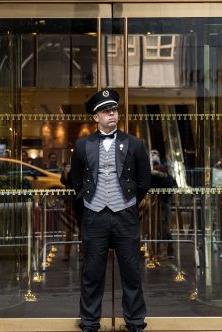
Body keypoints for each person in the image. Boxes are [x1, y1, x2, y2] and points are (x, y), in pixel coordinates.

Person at [69, 88, 151, 332]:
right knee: (92, 272)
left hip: (125, 214)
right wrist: (89, 202)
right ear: (96, 118)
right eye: (106, 111)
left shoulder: (134, 144)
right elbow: (75, 180)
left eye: (114, 110)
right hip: (94, 214)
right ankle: (89, 322)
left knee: (131, 272)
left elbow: (144, 181)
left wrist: (128, 203)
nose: (112, 114)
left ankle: (135, 322)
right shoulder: (83, 145)